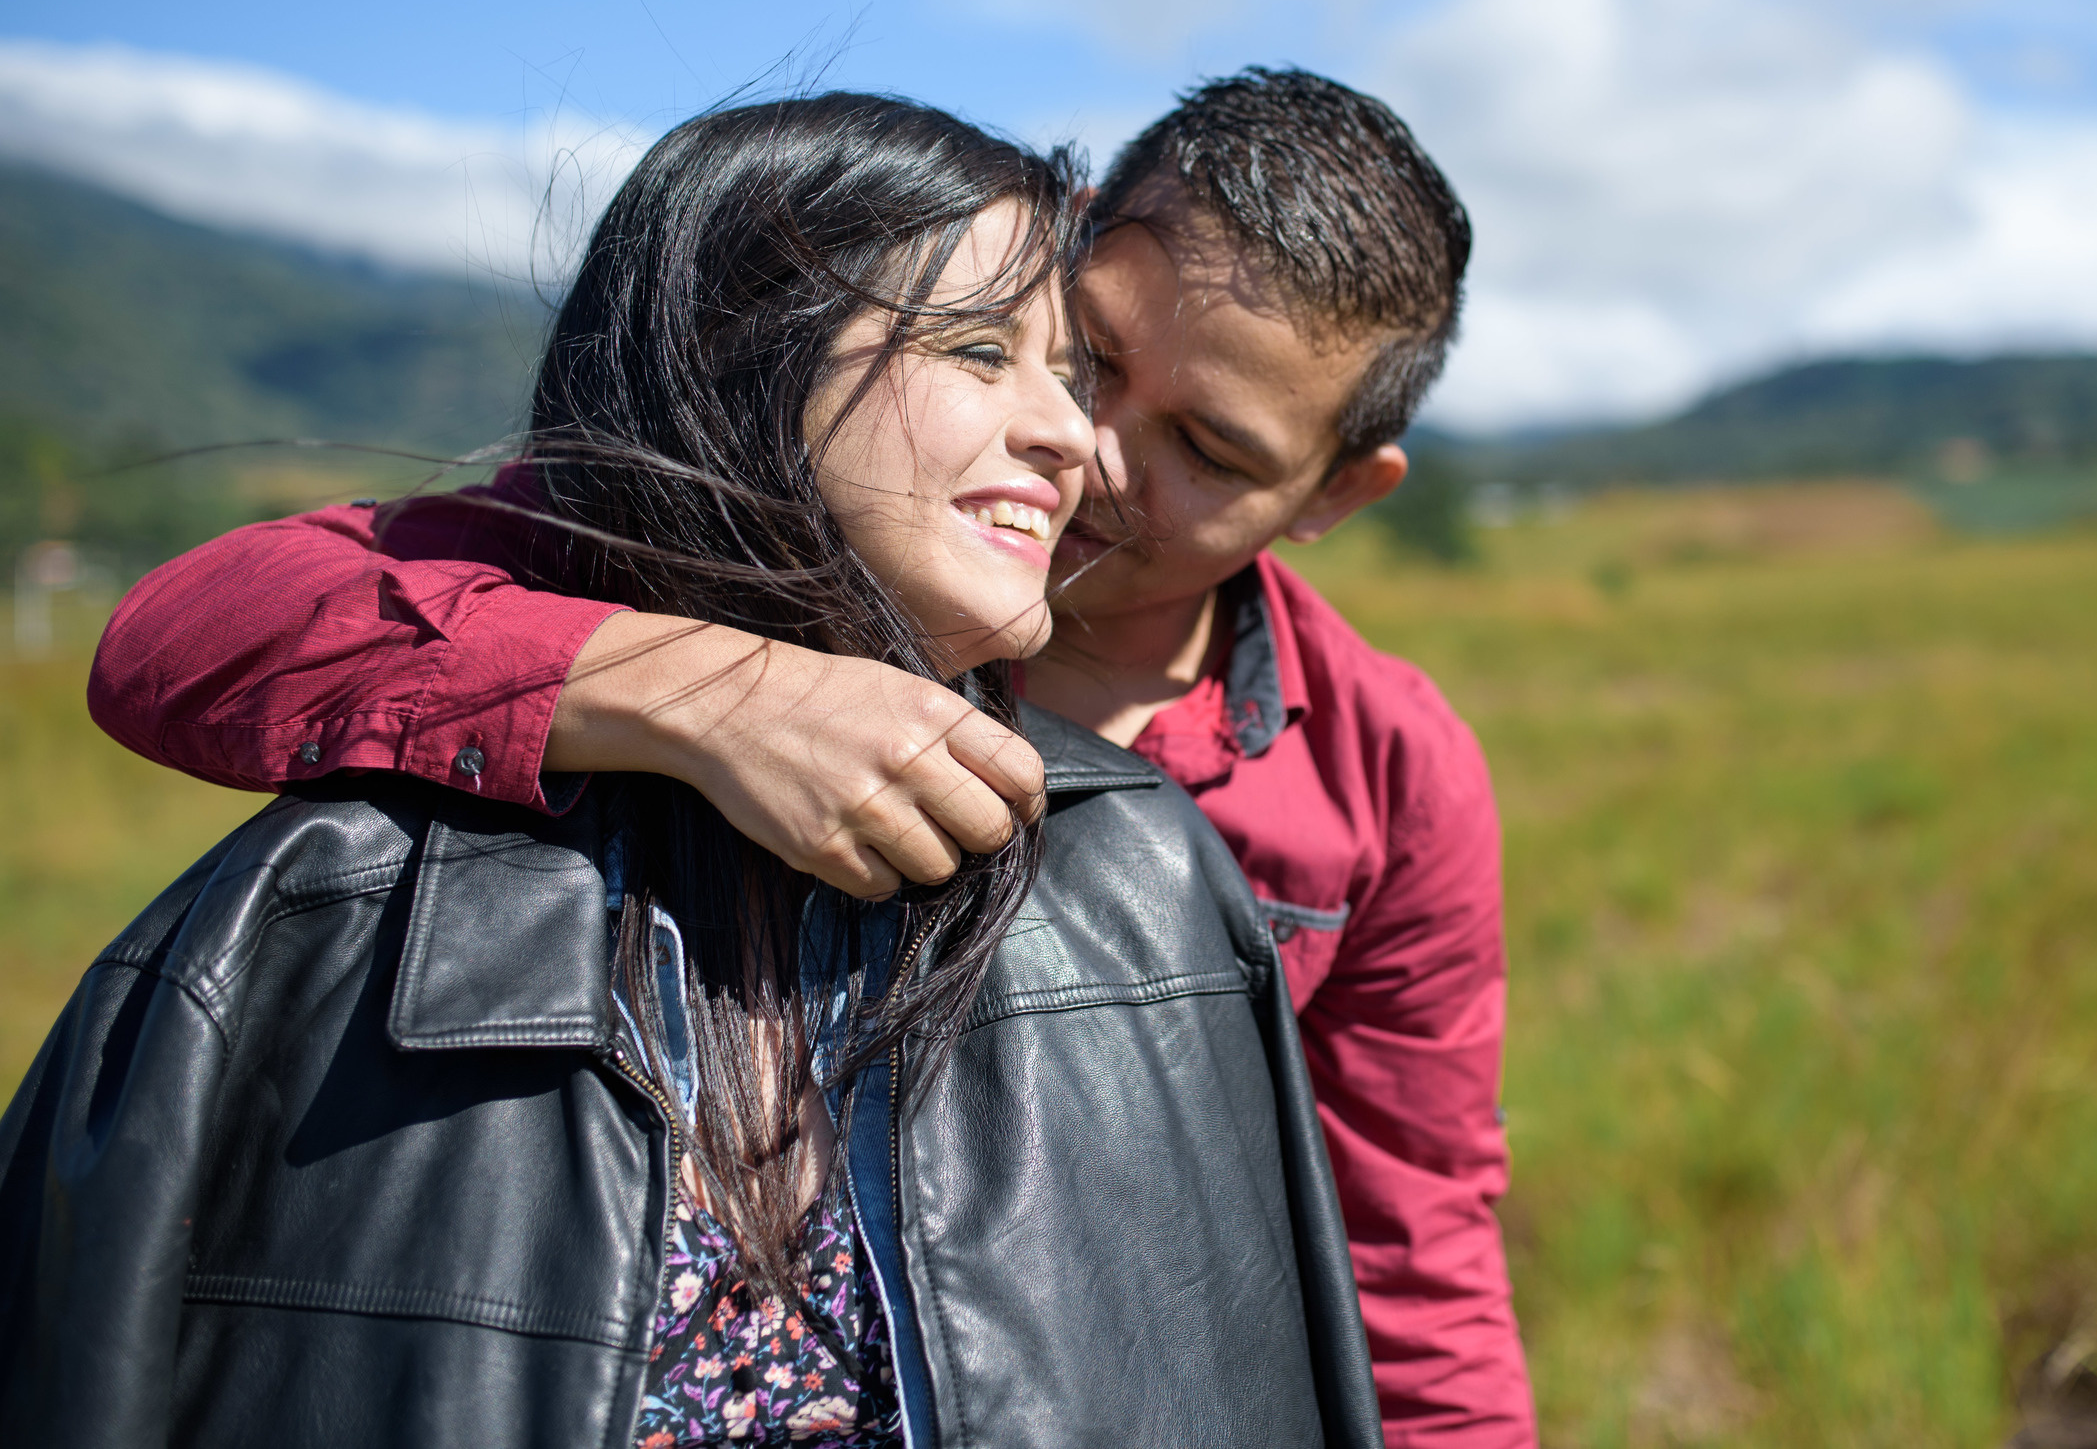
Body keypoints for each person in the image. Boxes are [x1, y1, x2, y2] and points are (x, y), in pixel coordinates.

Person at [85, 70, 1532, 1446]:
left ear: (1343, 490)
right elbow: (189, 629)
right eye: (1083, 351)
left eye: (1205, 449)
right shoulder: (807, 535)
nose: (1091, 447)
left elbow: (1408, 1248)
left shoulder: (1386, 773)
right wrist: (709, 690)